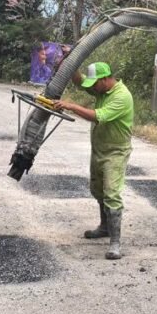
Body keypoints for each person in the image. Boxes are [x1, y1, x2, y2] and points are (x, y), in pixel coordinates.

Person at [53, 62, 133, 260]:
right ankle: (105, 227)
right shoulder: (102, 91)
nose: (92, 87)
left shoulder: (121, 96)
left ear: (105, 79)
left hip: (115, 152)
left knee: (112, 193)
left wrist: (71, 106)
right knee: (97, 190)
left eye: (95, 84)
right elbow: (81, 82)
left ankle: (115, 243)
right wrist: (67, 64)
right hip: (99, 149)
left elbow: (98, 116)